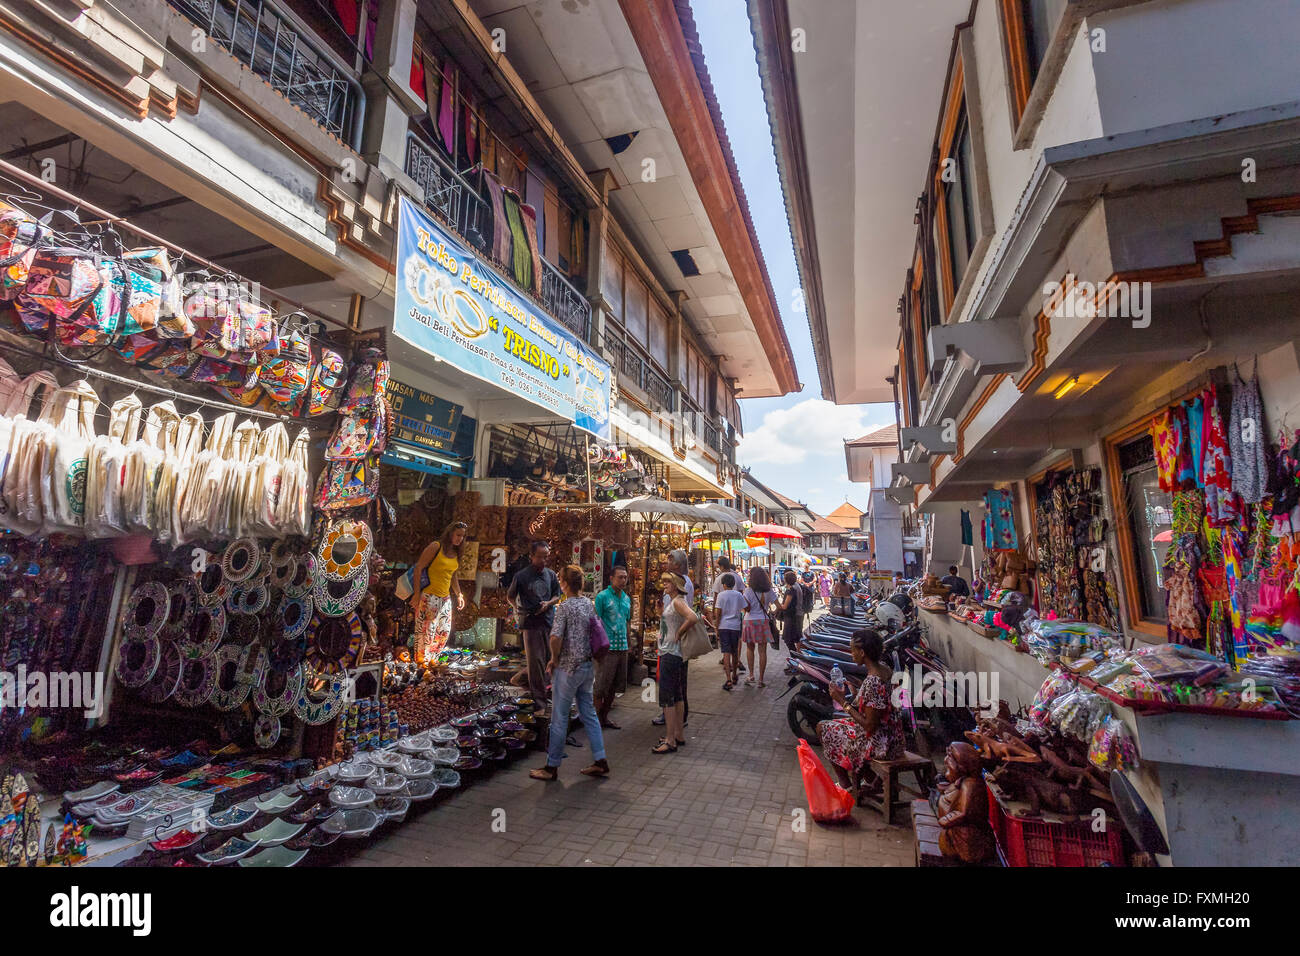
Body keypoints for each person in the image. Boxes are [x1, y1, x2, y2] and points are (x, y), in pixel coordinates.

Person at [529, 565, 610, 780]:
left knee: (559, 718)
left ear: (565, 583)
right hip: (586, 666)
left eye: (560, 580)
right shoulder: (587, 604)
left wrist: (554, 659)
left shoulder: (564, 607)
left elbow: (556, 637)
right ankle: (600, 760)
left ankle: (551, 766)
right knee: (589, 714)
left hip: (567, 668)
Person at [817, 629, 905, 793]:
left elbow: (869, 726)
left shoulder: (874, 680)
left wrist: (842, 701)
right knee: (835, 726)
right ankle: (870, 780)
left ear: (862, 652)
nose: (851, 654)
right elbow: (880, 706)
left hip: (882, 744)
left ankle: (847, 785)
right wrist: (856, 695)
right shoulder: (885, 669)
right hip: (894, 736)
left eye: (853, 650)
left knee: (824, 729)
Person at [507, 541, 562, 716]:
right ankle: (539, 703)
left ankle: (521, 679)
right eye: (540, 557)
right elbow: (510, 596)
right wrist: (516, 609)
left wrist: (549, 603)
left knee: (547, 660)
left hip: (548, 620)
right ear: (532, 556)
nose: (544, 560)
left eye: (546, 556)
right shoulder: (522, 576)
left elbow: (557, 595)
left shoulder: (551, 575)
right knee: (536, 661)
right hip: (530, 623)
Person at [409, 521, 467, 662]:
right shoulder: (436, 546)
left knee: (443, 632)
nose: (460, 538)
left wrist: (459, 594)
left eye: (463, 536)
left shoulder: (456, 552)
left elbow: (453, 575)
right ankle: (422, 663)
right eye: (458, 535)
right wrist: (416, 594)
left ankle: (433, 660)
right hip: (429, 595)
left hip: (445, 598)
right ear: (450, 533)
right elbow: (419, 568)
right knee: (426, 632)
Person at [652, 572, 696, 754]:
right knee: (677, 695)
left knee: (667, 697)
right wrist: (661, 613)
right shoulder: (674, 602)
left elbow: (693, 618)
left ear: (676, 584)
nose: (665, 585)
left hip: (671, 653)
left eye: (668, 582)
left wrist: (679, 633)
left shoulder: (678, 601)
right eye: (664, 582)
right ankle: (678, 734)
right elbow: (671, 623)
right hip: (672, 652)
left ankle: (670, 740)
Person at [593, 565, 631, 729]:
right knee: (601, 686)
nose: (623, 580)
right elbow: (595, 623)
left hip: (622, 648)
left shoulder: (627, 598)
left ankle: (604, 717)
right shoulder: (602, 597)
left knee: (615, 686)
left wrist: (629, 644)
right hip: (607, 649)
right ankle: (594, 721)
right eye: (620, 577)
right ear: (611, 578)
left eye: (625, 577)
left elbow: (627, 622)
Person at [740, 567, 778, 687]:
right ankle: (761, 680)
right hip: (763, 621)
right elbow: (780, 606)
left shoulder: (748, 591)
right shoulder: (769, 591)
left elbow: (746, 608)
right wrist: (773, 612)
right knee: (762, 651)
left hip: (749, 621)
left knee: (750, 649)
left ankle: (751, 675)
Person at [712, 572, 746, 690]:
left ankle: (728, 679)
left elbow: (718, 612)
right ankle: (735, 674)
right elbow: (745, 608)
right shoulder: (738, 595)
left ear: (724, 584)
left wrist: (717, 626)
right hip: (735, 626)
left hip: (724, 626)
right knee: (735, 651)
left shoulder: (721, 595)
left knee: (726, 652)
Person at [780, 570, 805, 653]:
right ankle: (798, 654)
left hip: (793, 616)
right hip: (798, 614)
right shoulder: (797, 586)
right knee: (797, 637)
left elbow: (785, 606)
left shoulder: (792, 589)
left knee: (789, 639)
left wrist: (776, 604)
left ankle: (795, 656)